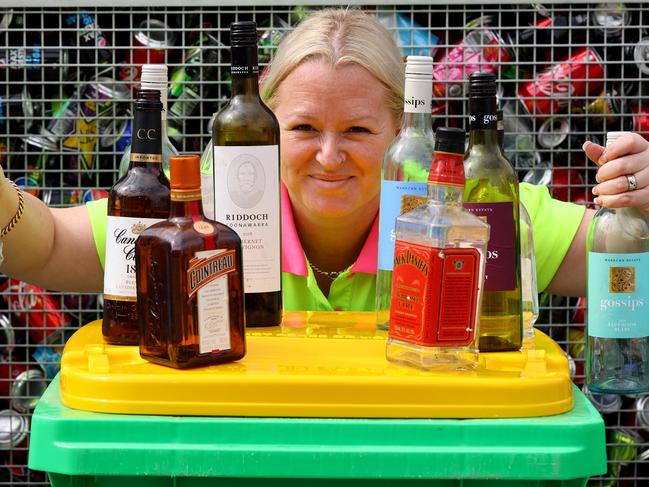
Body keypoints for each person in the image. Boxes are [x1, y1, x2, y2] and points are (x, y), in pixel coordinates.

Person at [1, 8, 648, 313]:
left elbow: (622, 270)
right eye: (304, 126)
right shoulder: (202, 199)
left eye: (360, 129)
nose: (329, 156)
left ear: (402, 127)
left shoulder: (469, 206)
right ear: (263, 122)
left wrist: (639, 215)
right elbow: (43, 245)